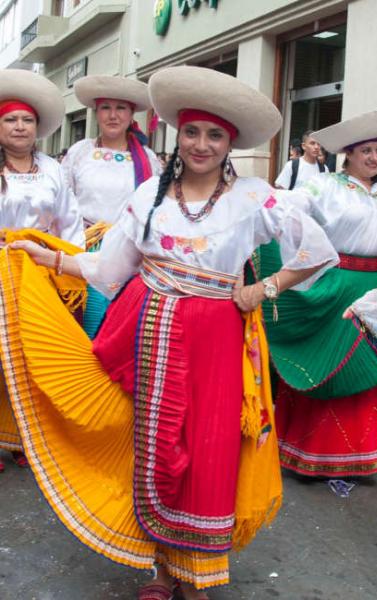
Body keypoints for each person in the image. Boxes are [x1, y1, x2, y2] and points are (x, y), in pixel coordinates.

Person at [2, 66, 338, 599]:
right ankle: (159, 568)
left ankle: (197, 574)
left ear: (229, 144)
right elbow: (106, 269)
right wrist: (45, 256)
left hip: (217, 337)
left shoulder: (254, 197)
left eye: (215, 135)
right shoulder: (148, 196)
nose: (201, 144)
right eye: (192, 133)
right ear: (176, 136)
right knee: (153, 442)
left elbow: (318, 253)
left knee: (210, 445)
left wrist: (263, 289)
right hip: (149, 330)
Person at [257, 109, 377, 478]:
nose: (372, 157)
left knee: (368, 371)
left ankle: (359, 456)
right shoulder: (325, 186)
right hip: (333, 284)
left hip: (375, 292)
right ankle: (305, 453)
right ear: (348, 154)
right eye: (365, 150)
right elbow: (286, 211)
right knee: (324, 366)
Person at [0, 68, 85, 474]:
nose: (19, 127)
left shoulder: (53, 168)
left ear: (37, 127)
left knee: (32, 355)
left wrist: (71, 268)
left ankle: (24, 436)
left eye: (26, 120)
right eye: (10, 119)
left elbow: (69, 222)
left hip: (38, 271)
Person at [62, 75, 161, 338]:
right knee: (84, 325)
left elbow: (154, 209)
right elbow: (62, 202)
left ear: (131, 114)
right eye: (106, 107)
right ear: (96, 113)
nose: (113, 115)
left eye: (121, 108)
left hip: (127, 252)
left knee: (120, 328)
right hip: (82, 246)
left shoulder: (148, 159)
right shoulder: (79, 152)